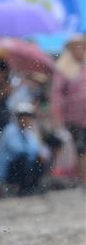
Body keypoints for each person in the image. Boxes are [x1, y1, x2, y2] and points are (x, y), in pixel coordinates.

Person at [0, 102, 51, 195]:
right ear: (18, 117)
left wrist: (42, 154)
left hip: (21, 166)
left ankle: (32, 186)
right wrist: (38, 153)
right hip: (8, 171)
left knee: (40, 159)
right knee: (23, 159)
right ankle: (21, 187)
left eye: (28, 116)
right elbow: (17, 149)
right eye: (23, 116)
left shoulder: (28, 132)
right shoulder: (9, 131)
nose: (26, 119)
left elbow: (40, 149)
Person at [51, 35, 86, 183]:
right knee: (82, 148)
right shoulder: (64, 68)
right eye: (75, 47)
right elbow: (57, 94)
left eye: (81, 46)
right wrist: (58, 117)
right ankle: (83, 178)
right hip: (74, 117)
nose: (78, 50)